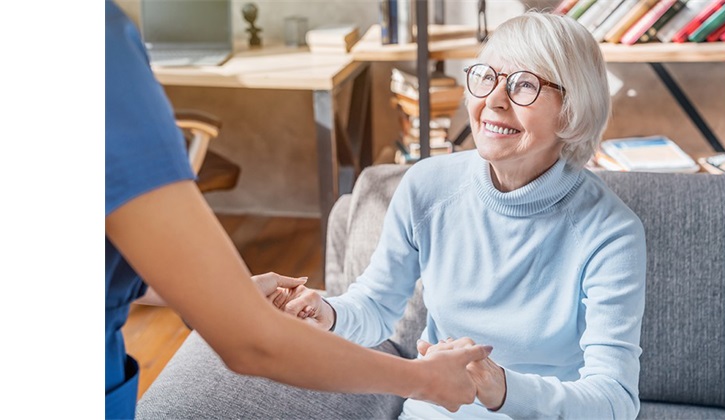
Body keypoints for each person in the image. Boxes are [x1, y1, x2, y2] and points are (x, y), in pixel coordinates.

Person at [104, 1, 493, 418]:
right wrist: (422, 379)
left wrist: (217, 294)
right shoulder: (108, 54)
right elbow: (253, 343)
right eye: (485, 78)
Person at [274, 11, 647, 420]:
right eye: (487, 77)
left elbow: (615, 401)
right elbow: (376, 307)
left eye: (525, 84)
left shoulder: (612, 233)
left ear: (573, 108)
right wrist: (325, 313)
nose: (495, 101)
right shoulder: (427, 187)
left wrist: (500, 387)